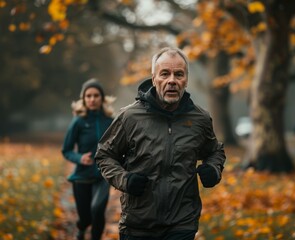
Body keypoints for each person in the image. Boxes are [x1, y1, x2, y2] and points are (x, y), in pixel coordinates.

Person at [95, 47, 226, 240]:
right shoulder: (130, 117)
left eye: (178, 74)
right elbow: (104, 154)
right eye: (165, 73)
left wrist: (213, 169)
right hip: (138, 223)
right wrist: (125, 180)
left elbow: (215, 151)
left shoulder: (200, 119)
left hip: (182, 222)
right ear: (154, 78)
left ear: (186, 80)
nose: (172, 80)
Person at [62, 78, 115, 240]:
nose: (92, 99)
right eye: (88, 96)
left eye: (96, 96)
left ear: (102, 98)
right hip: (82, 177)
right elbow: (67, 150)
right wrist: (79, 158)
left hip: (102, 175)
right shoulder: (78, 122)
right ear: (84, 99)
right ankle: (81, 228)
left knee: (97, 210)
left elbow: (118, 146)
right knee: (86, 218)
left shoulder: (110, 121)